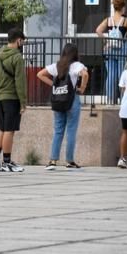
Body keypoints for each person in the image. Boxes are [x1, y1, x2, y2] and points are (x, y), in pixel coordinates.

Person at [36, 42, 89, 170]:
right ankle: (69, 161)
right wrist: (82, 87)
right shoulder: (77, 65)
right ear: (75, 54)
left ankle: (52, 161)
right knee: (71, 130)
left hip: (58, 99)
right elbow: (85, 74)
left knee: (58, 130)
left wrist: (53, 85)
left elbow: (40, 74)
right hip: (72, 99)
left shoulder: (56, 65)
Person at [0, 28, 27, 172]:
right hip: (11, 97)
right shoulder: (17, 57)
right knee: (9, 130)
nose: (22, 44)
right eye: (22, 41)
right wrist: (23, 102)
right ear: (18, 40)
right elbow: (20, 81)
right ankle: (6, 161)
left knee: (2, 128)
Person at [96, 0, 127, 103]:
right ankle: (123, 100)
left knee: (111, 75)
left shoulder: (108, 20)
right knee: (122, 75)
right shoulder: (126, 21)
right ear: (123, 7)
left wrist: (107, 39)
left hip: (110, 49)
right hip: (123, 49)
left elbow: (98, 30)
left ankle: (110, 100)